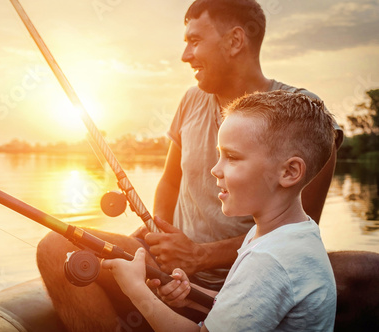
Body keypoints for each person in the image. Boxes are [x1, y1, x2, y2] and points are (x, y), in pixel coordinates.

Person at [36, 0, 343, 330]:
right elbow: (169, 182)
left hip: (231, 274)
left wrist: (199, 256)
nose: (185, 55)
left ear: (236, 41)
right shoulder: (190, 100)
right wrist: (160, 237)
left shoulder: (302, 116)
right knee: (56, 246)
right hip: (177, 268)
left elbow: (298, 218)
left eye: (195, 41)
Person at [103, 90, 338, 331]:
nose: (215, 169)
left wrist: (136, 290)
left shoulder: (270, 260)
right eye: (219, 155)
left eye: (232, 157)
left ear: (289, 172)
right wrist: (191, 292)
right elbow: (243, 303)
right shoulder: (287, 233)